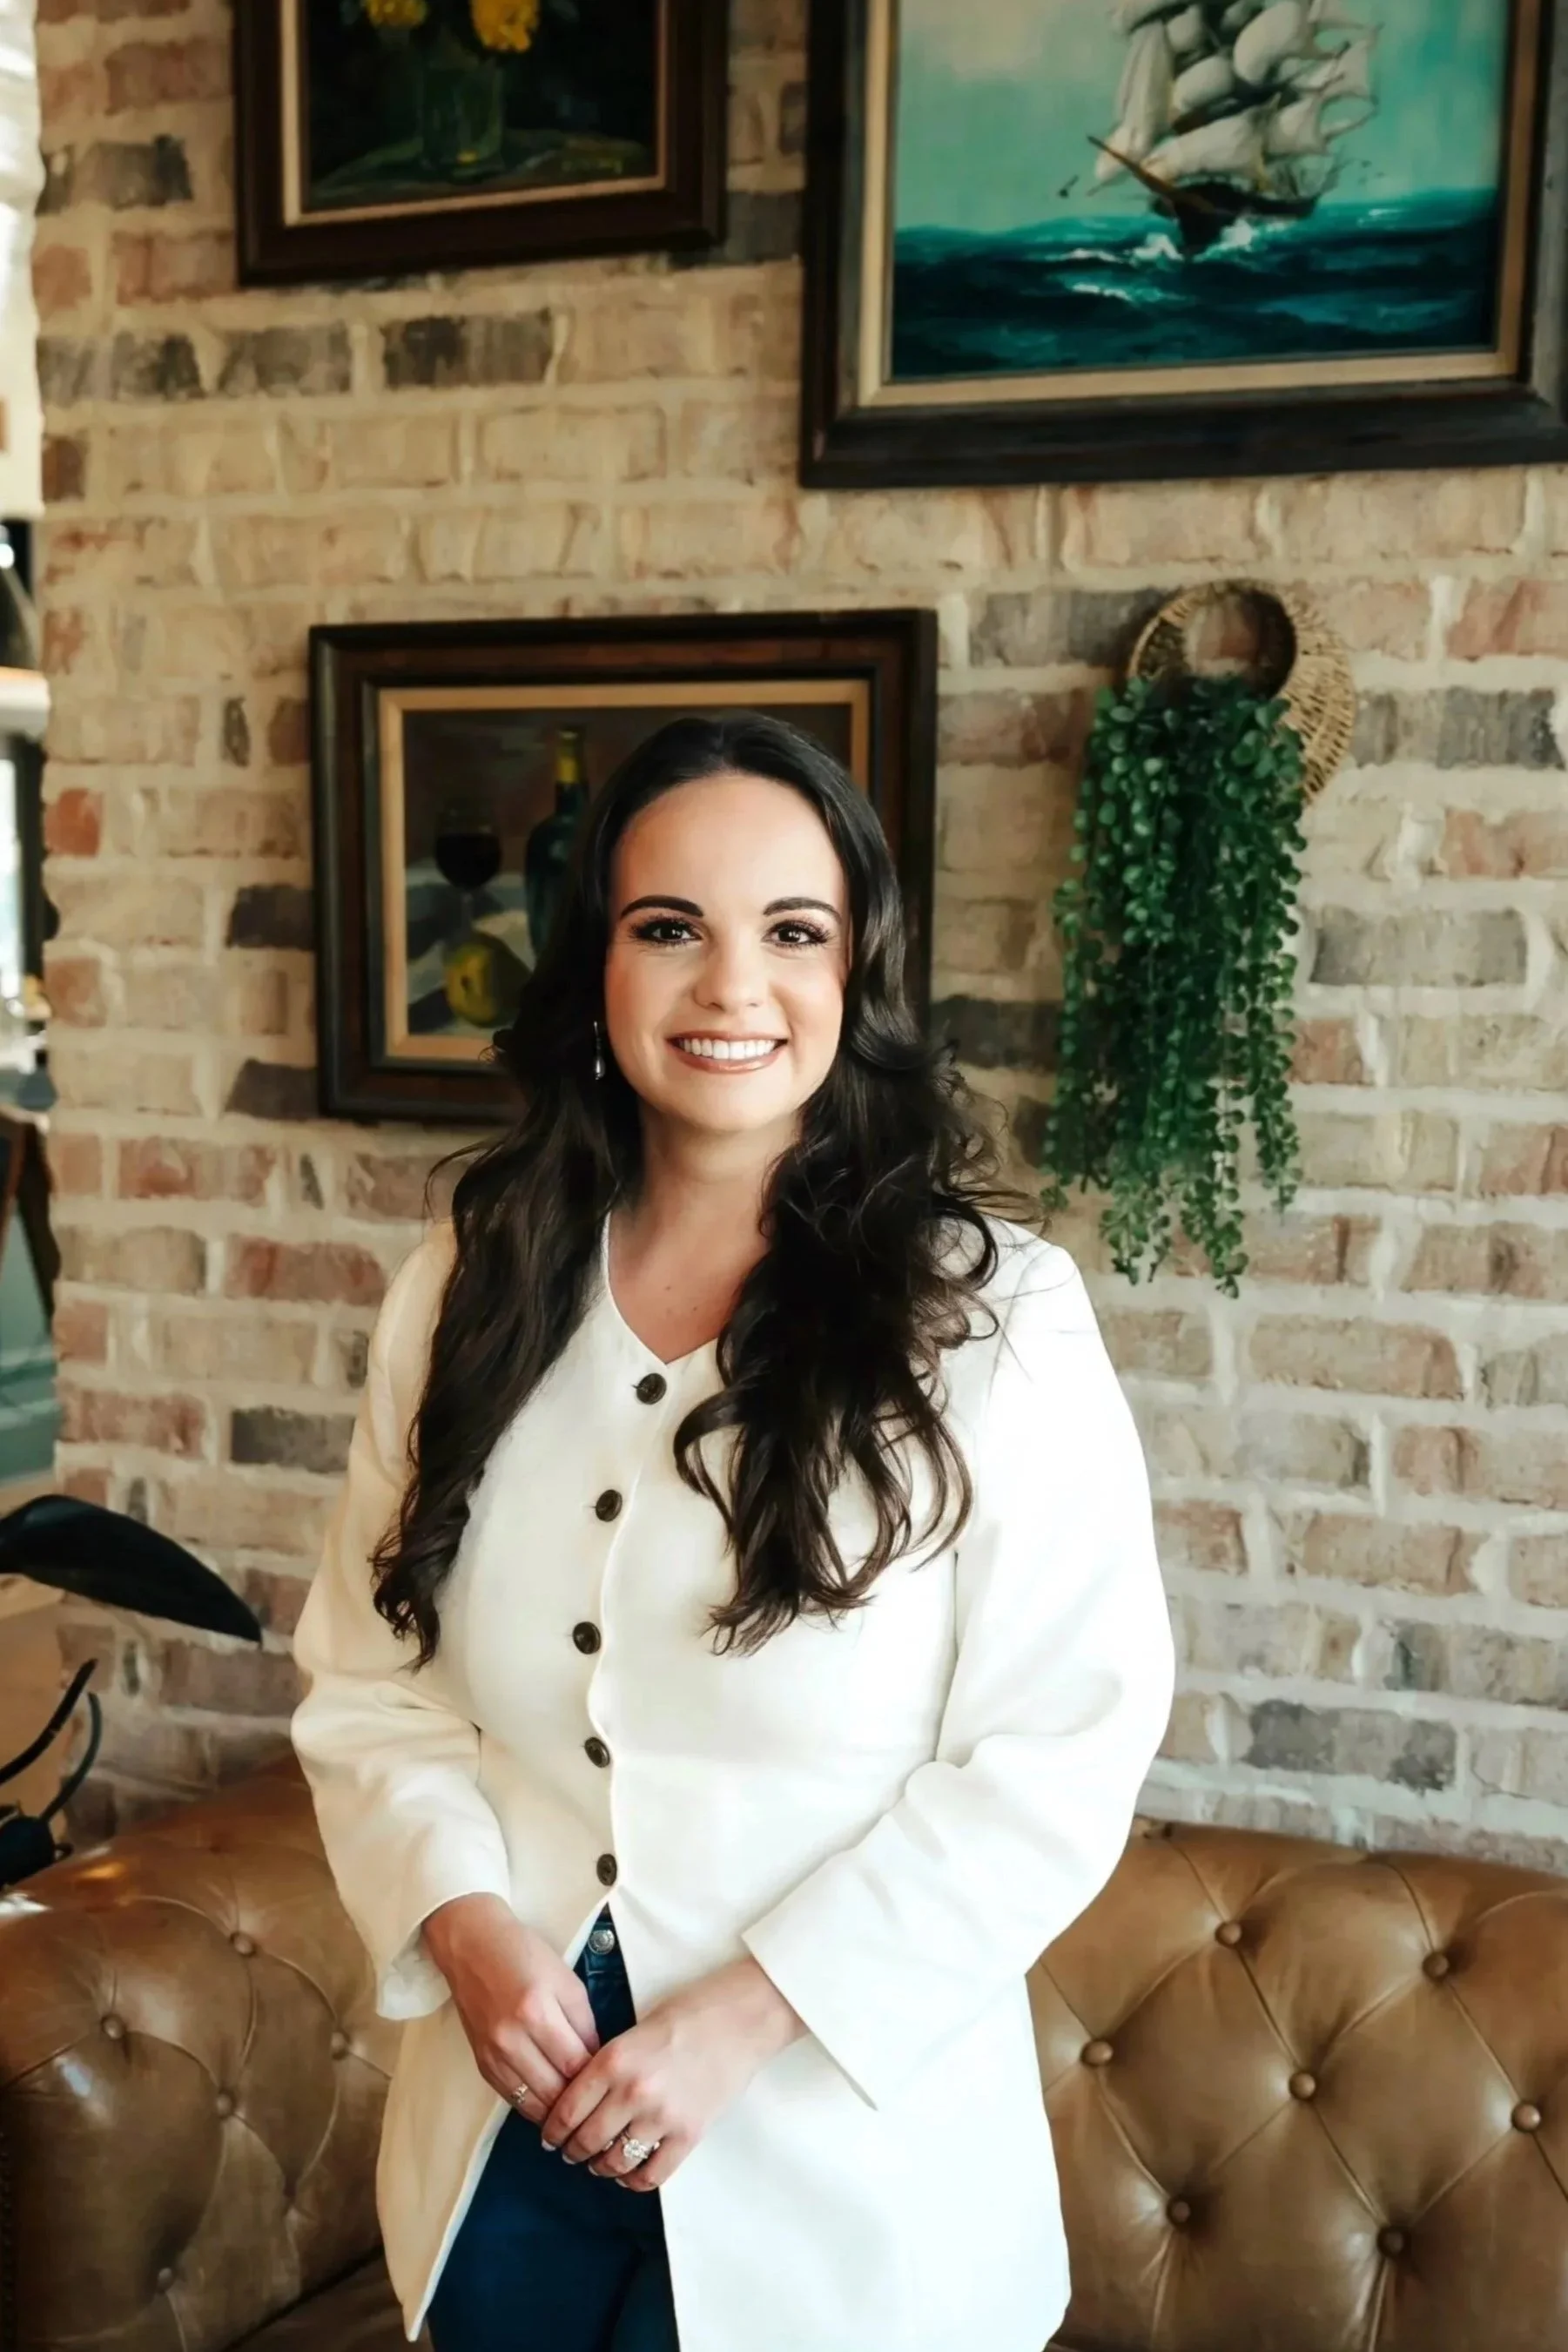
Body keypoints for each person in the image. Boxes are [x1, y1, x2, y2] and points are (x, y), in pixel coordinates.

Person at [290, 711, 1175, 2352]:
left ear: (858, 975)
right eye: (669, 928)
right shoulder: (464, 1291)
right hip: (508, 2154)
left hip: (846, 2185)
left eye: (792, 933)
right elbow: (369, 1677)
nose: (730, 988)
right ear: (598, 968)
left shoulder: (995, 1324)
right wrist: (466, 1931)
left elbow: (1062, 1747)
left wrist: (747, 2018)